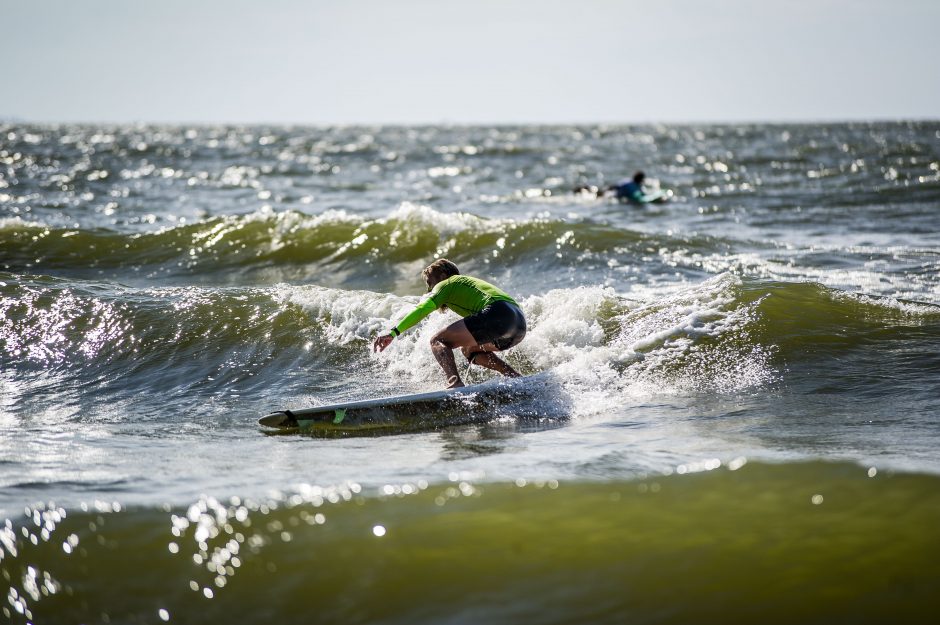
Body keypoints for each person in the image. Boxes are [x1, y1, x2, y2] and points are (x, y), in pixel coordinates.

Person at [372, 259, 526, 388]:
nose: (429, 289)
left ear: (443, 276)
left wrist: (393, 333)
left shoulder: (446, 284)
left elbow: (421, 309)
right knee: (469, 350)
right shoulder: (466, 285)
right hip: (518, 324)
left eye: (430, 282)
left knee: (437, 341)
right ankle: (514, 377)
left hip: (497, 313)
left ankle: (454, 382)